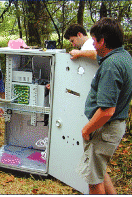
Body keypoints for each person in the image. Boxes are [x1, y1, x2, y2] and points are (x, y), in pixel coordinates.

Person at [77, 17, 132, 194]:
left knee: (93, 181)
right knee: (99, 172)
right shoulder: (123, 56)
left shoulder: (111, 66)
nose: (92, 44)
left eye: (94, 40)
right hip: (114, 126)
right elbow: (96, 55)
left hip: (105, 128)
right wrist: (79, 54)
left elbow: (107, 111)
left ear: (103, 41)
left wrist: (86, 130)